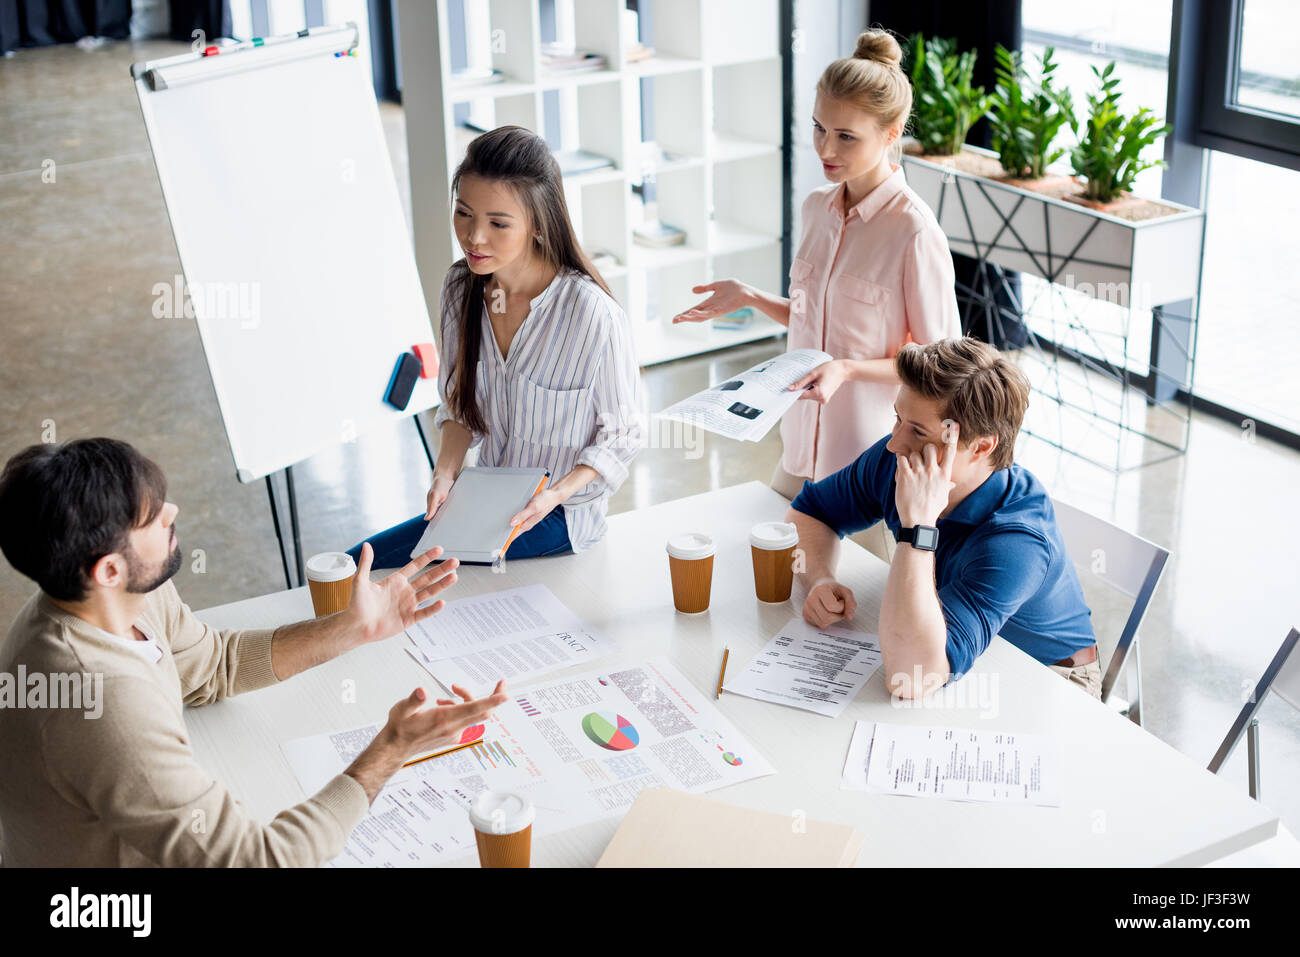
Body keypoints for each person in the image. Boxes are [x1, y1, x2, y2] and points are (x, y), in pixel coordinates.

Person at [0, 438, 508, 866]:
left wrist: (352, 627)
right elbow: (260, 862)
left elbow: (211, 667)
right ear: (109, 570)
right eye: (152, 518)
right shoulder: (100, 706)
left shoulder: (124, 594)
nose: (172, 512)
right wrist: (392, 749)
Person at [673, 28, 960, 504]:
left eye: (846, 137)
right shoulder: (816, 210)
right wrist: (750, 296)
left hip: (871, 465)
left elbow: (939, 367)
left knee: (862, 579)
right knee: (775, 565)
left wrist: (846, 370)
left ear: (891, 135)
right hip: (798, 448)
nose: (826, 150)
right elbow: (820, 322)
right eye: (819, 128)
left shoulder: (914, 233)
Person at [347, 125, 643, 569]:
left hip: (559, 515)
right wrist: (445, 472)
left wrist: (556, 495)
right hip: (483, 499)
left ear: (538, 226)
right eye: (464, 213)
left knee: (369, 573)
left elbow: (623, 435)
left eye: (498, 223)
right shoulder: (459, 288)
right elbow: (461, 407)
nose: (474, 237)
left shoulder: (591, 315)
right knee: (356, 567)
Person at [784, 338, 1100, 699]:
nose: (894, 444)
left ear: (982, 446)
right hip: (959, 650)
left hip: (1049, 679)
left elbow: (911, 678)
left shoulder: (1017, 543)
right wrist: (820, 578)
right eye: (898, 418)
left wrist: (917, 527)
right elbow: (809, 512)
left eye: (918, 431)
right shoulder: (900, 460)